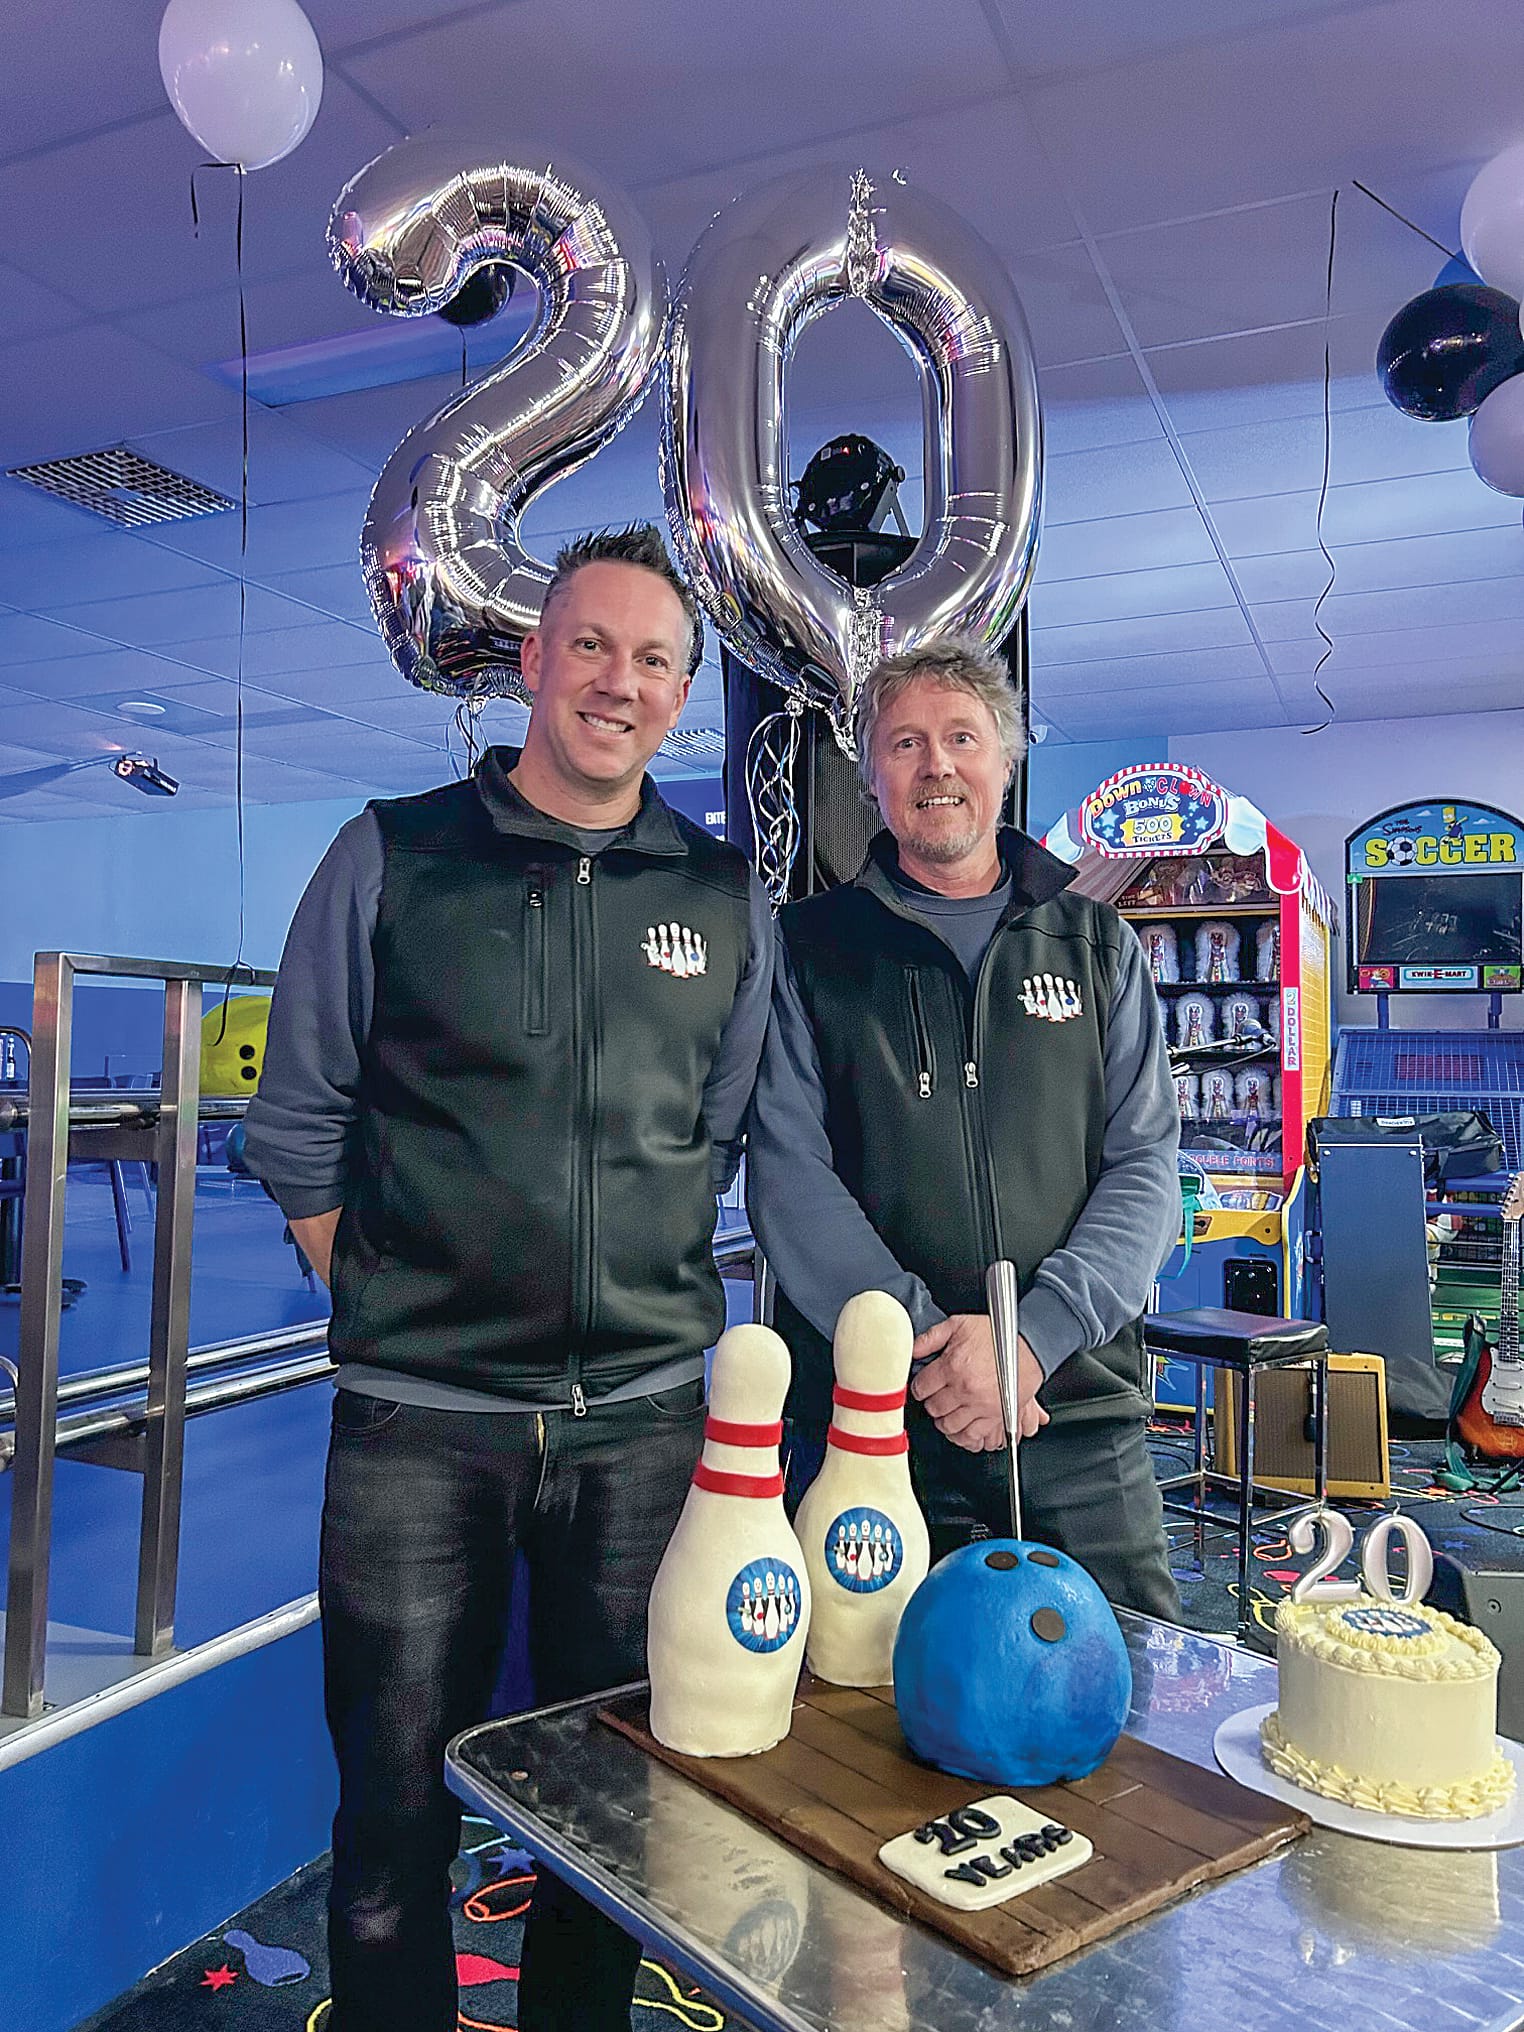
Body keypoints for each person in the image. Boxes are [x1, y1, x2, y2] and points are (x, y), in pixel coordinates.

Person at [243, 524, 773, 2032]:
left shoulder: (723, 896)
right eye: (590, 645)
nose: (619, 681)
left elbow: (718, 1126)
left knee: (613, 1825)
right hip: (420, 1429)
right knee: (392, 1823)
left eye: (654, 659)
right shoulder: (392, 856)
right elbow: (298, 1124)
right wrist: (400, 1292)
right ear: (532, 660)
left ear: (681, 695)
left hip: (644, 1428)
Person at [747, 637, 1182, 1618]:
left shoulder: (1096, 945)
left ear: (1006, 759)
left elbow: (1147, 1165)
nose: (935, 764)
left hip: (1075, 1412)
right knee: (869, 1701)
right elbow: (786, 1171)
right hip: (873, 1425)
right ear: (871, 776)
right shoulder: (807, 951)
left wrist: (1033, 1340)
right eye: (904, 743)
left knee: (1128, 1683)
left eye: (961, 738)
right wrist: (925, 1347)